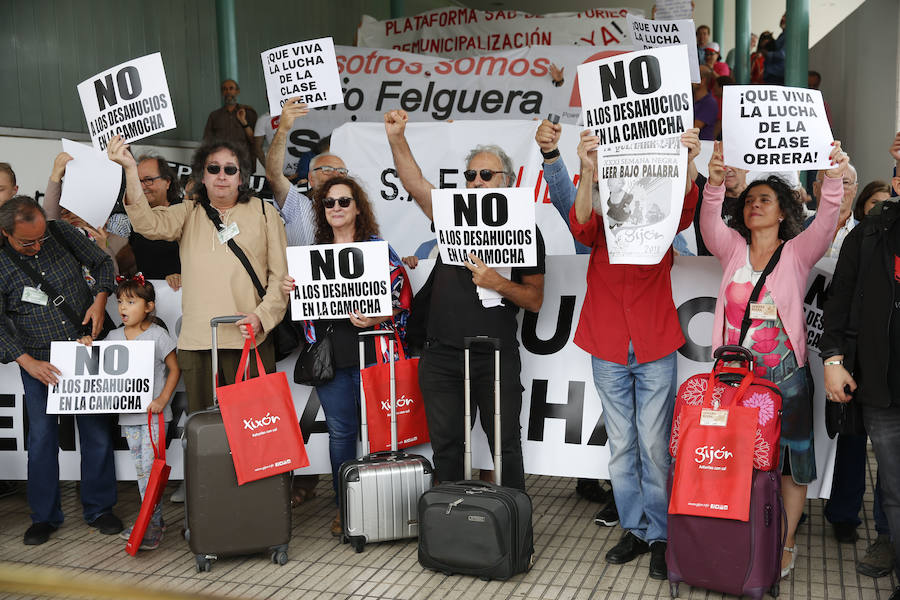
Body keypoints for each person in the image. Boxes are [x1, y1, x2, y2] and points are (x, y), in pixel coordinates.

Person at [700, 140, 847, 578]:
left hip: (787, 381)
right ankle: (743, 534)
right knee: (736, 458)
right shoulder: (730, 249)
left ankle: (783, 544)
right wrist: (712, 183)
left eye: (764, 200)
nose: (754, 205)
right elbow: (710, 223)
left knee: (791, 463)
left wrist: (835, 176)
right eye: (748, 201)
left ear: (782, 210)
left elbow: (826, 221)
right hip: (734, 381)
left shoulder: (798, 252)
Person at [384, 108, 545, 495]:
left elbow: (535, 300)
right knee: (448, 450)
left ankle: (513, 533)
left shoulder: (526, 229)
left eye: (486, 175)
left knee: (504, 448)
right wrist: (396, 139)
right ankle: (453, 535)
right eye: (470, 175)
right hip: (442, 358)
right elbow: (416, 184)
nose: (476, 181)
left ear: (506, 182)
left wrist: (497, 282)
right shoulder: (453, 217)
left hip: (495, 356)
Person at [569, 126, 701, 581]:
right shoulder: (601, 217)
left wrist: (687, 163)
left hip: (654, 345)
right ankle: (636, 529)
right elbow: (579, 224)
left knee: (651, 443)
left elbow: (686, 211)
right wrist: (587, 170)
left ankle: (661, 534)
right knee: (623, 444)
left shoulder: (661, 218)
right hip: (607, 345)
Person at [107, 135, 288, 417]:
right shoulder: (188, 213)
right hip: (197, 343)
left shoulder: (265, 212)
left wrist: (262, 318)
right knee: (208, 437)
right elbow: (146, 224)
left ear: (242, 177)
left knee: (256, 434)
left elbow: (280, 277)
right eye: (213, 168)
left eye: (231, 169)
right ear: (203, 176)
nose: (222, 176)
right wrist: (131, 171)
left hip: (249, 339)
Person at [281, 176, 410, 535]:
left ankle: (386, 504)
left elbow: (403, 298)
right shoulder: (312, 252)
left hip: (373, 357)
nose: (336, 208)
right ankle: (346, 506)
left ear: (357, 207)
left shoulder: (378, 250)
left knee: (381, 433)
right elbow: (303, 310)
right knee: (341, 434)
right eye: (329, 203)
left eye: (343, 201)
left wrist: (378, 315)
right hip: (331, 361)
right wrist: (290, 289)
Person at [0, 196, 122, 545]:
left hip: (84, 348)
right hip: (39, 361)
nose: (38, 246)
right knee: (41, 440)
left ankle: (100, 509)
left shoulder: (60, 232)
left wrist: (100, 300)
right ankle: (44, 517)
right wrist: (27, 362)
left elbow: (100, 264)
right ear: (6, 233)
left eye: (41, 238)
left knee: (96, 432)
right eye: (28, 242)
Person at [820, 157, 900, 598]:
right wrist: (833, 358)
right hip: (882, 389)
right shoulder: (867, 236)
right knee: (894, 486)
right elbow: (839, 301)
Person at [534, 118, 616, 524]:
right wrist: (552, 154)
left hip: (639, 334)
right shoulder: (586, 215)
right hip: (593, 331)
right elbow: (564, 192)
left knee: (624, 417)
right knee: (593, 403)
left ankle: (621, 493)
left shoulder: (662, 218)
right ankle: (589, 473)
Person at [107, 275, 179, 550]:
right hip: (129, 418)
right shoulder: (113, 336)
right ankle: (154, 521)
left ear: (149, 307)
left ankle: (151, 525)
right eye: (120, 302)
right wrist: (87, 343)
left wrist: (162, 398)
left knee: (150, 475)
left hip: (154, 419)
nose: (123, 307)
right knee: (142, 474)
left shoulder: (158, 335)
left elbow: (175, 368)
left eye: (131, 301)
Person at [266, 98, 349, 247]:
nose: (335, 175)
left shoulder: (356, 213)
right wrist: (283, 130)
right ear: (311, 178)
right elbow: (274, 176)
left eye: (341, 171)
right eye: (327, 169)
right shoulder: (297, 205)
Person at [202, 79, 260, 167]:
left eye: (231, 88)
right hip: (221, 163)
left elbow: (255, 142)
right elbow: (207, 141)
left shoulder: (248, 113)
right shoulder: (214, 116)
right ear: (222, 93)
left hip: (244, 162)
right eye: (225, 89)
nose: (228, 91)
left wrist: (244, 122)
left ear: (237, 91)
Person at [804, 164, 858, 257]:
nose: (838, 190)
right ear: (815, 188)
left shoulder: (867, 236)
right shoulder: (798, 232)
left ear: (855, 189)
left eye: (845, 183)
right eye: (829, 182)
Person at [693, 66, 718, 141]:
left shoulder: (710, 103)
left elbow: (694, 128)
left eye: (693, 77)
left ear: (702, 80)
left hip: (702, 149)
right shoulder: (691, 99)